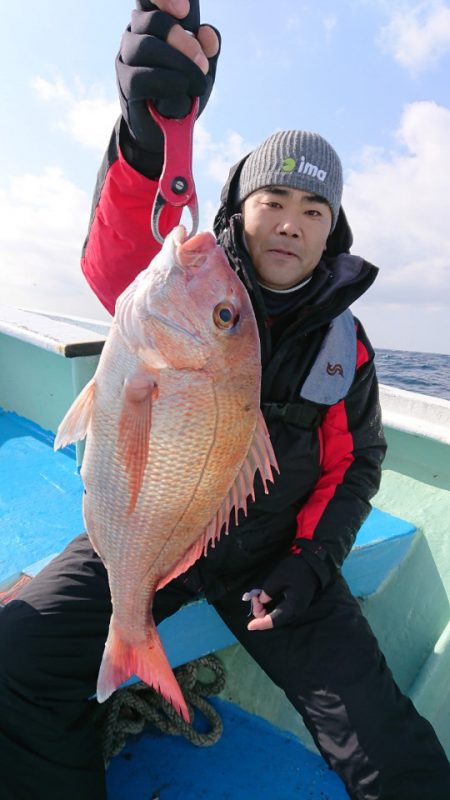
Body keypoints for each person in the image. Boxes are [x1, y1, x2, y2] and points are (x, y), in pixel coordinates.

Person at [1, 1, 449, 798]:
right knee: (15, 654)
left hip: (274, 562)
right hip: (153, 536)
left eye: (315, 211)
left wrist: (312, 566)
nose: (290, 224)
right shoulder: (191, 278)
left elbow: (359, 462)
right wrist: (147, 136)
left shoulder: (346, 348)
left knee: (390, 751)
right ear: (239, 205)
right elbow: (123, 259)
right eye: (273, 200)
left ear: (332, 230)